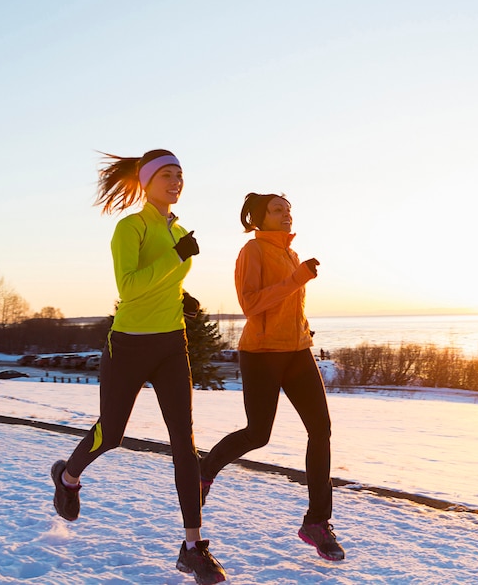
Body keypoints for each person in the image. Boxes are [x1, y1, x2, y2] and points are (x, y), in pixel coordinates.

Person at [49, 149, 226, 585]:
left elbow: (162, 282)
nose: (176, 181)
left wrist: (183, 297)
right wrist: (176, 258)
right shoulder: (130, 227)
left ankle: (192, 548)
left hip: (171, 344)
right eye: (167, 174)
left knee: (184, 445)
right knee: (111, 434)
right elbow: (128, 288)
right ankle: (68, 477)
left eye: (181, 175)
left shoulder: (178, 229)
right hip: (128, 345)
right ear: (146, 182)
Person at [200, 193, 345, 561]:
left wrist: (304, 329)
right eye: (278, 210)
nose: (287, 215)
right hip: (262, 354)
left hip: (298, 352)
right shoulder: (253, 251)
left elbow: (289, 306)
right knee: (258, 434)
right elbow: (251, 304)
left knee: (321, 430)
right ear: (259, 217)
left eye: (289, 210)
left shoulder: (290, 253)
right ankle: (206, 469)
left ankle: (316, 522)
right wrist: (297, 280)